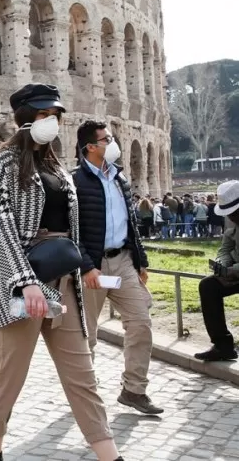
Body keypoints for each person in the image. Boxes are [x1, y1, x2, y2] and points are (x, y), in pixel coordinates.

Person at [0, 84, 123, 461]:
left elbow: (73, 226)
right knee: (9, 376)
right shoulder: (5, 160)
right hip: (19, 282)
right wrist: (25, 280)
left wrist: (87, 266)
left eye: (55, 115)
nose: (51, 122)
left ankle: (110, 455)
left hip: (64, 281)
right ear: (24, 119)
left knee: (82, 376)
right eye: (43, 115)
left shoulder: (56, 164)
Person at [73, 120, 161, 415]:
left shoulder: (120, 179)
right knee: (87, 334)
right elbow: (71, 231)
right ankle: (86, 392)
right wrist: (86, 267)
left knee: (141, 322)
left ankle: (134, 389)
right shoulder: (75, 182)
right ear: (90, 147)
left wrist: (141, 262)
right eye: (106, 139)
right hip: (92, 266)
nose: (112, 142)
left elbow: (132, 225)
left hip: (123, 261)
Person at [195, 180, 239, 361]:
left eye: (234, 213)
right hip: (235, 271)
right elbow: (226, 247)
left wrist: (232, 270)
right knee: (208, 286)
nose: (232, 217)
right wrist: (222, 265)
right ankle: (223, 346)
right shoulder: (231, 219)